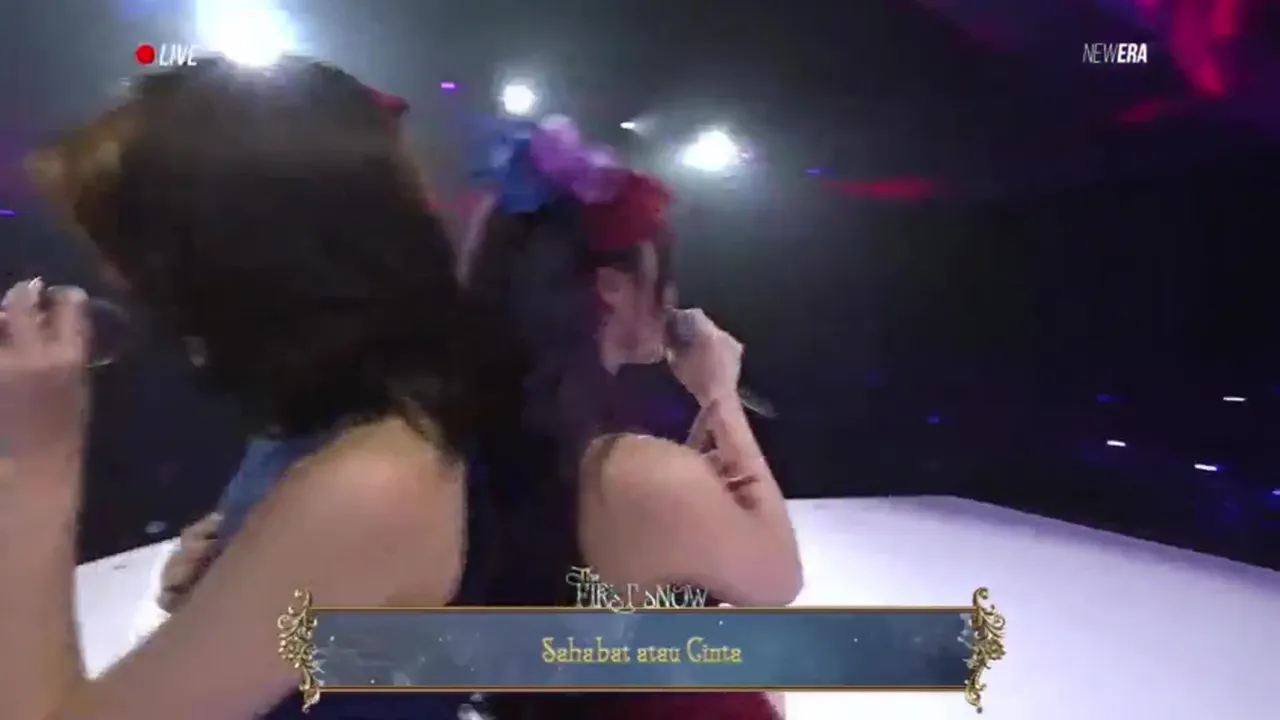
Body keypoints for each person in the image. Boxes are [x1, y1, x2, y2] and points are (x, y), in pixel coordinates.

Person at [0, 57, 520, 720]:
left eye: (133, 250)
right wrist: (242, 580)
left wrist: (35, 458)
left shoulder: (372, 479)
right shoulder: (331, 421)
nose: (117, 279)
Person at [460, 116, 801, 719]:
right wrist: (719, 393)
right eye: (659, 274)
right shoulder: (626, 472)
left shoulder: (489, 440)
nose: (669, 298)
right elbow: (776, 580)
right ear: (614, 286)